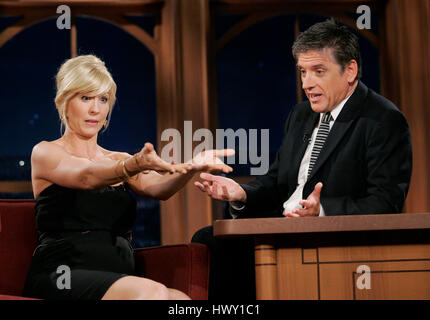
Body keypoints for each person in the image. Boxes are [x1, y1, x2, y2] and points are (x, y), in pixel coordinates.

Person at [192, 19, 413, 299]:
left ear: (350, 70)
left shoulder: (383, 120)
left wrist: (321, 212)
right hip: (281, 229)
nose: (307, 84)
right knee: (209, 240)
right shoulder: (301, 114)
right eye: (302, 72)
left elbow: (386, 202)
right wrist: (241, 194)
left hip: (333, 242)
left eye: (318, 71)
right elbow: (277, 182)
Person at [22, 54, 234, 300]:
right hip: (62, 275)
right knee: (151, 292)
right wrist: (132, 164)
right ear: (64, 101)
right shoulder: (46, 152)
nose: (95, 109)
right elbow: (85, 176)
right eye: (85, 98)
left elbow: (158, 188)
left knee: (180, 300)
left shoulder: (117, 159)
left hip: (118, 277)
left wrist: (188, 169)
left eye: (103, 99)